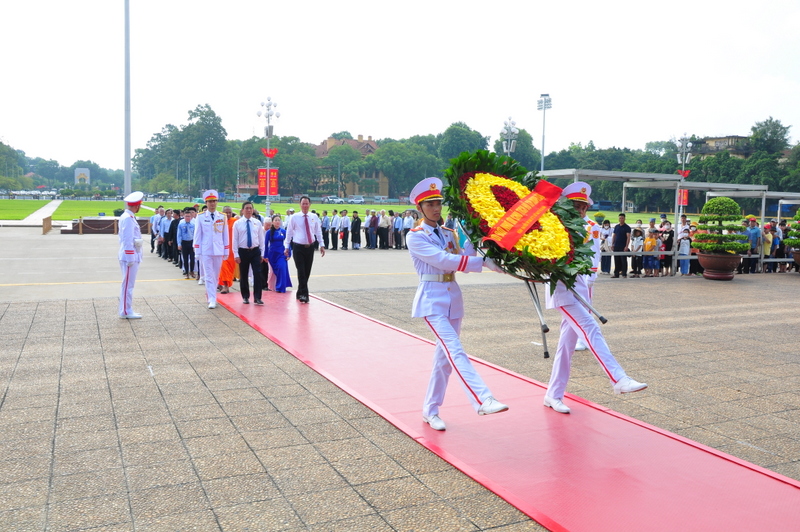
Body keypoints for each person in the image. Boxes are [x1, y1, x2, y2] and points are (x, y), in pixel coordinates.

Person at [406, 177, 509, 431]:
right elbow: (444, 261)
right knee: (455, 350)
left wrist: (478, 241)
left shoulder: (449, 233)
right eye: (430, 204)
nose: (436, 208)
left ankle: (430, 411)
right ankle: (483, 398)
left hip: (452, 298)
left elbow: (463, 258)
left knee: (443, 360)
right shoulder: (415, 237)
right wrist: (482, 264)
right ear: (420, 208)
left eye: (438, 203)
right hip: (432, 300)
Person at [544, 182, 647, 415]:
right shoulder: (554, 227)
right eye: (575, 206)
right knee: (591, 329)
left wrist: (590, 281)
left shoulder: (585, 227)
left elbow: (592, 258)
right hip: (563, 289)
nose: (580, 211)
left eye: (583, 207)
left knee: (566, 346)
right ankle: (618, 379)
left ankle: (553, 394)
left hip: (582, 286)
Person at [284, 196, 325, 303]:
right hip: (298, 247)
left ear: (310, 204)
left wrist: (322, 244)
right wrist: (287, 246)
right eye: (303, 204)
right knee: (301, 271)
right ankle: (304, 295)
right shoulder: (295, 217)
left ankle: (300, 291)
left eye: (307, 204)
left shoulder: (314, 217)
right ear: (300, 204)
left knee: (307, 271)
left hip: (310, 247)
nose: (305, 206)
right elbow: (289, 232)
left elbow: (318, 231)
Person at [193, 190, 230, 309]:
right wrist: (197, 251)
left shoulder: (222, 216)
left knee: (215, 275)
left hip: (218, 249)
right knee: (208, 275)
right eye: (210, 202)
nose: (212, 204)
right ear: (206, 203)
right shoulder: (201, 217)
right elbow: (197, 235)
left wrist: (226, 250)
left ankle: (211, 295)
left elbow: (225, 235)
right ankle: (212, 299)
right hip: (206, 250)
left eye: (214, 201)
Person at [233, 201, 266, 305]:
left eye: (250, 208)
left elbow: (261, 239)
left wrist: (262, 253)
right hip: (243, 251)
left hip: (255, 251)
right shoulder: (237, 223)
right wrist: (236, 254)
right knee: (244, 274)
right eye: (246, 208)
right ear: (242, 210)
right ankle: (245, 296)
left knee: (257, 273)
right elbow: (235, 240)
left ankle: (257, 297)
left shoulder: (257, 222)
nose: (248, 210)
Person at [118, 191, 144, 319]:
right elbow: (127, 239)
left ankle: (127, 309)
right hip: (130, 255)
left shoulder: (128, 216)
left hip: (131, 254)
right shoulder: (128, 218)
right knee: (128, 285)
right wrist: (130, 257)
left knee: (128, 284)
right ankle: (126, 310)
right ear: (137, 205)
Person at [265, 214, 293, 293]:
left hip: (282, 253)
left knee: (282, 268)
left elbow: (288, 243)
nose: (277, 222)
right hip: (272, 254)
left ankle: (280, 287)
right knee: (275, 271)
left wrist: (289, 253)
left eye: (279, 220)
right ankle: (272, 286)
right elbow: (266, 244)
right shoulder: (269, 232)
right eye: (276, 220)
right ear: (272, 222)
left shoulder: (284, 232)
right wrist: (265, 255)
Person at [218, 206, 237, 294]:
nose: (228, 214)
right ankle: (225, 286)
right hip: (221, 248)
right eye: (226, 212)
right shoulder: (219, 222)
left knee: (229, 269)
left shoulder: (235, 222)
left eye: (230, 212)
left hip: (232, 250)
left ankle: (224, 284)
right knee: (223, 266)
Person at [177, 208, 196, 279]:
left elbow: (195, 234)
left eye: (189, 216)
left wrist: (195, 244)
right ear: (184, 217)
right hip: (184, 242)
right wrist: (179, 244)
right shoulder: (181, 224)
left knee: (192, 258)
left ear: (191, 217)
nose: (187, 218)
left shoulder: (193, 224)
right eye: (186, 216)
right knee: (185, 259)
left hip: (191, 242)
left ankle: (192, 271)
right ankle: (186, 272)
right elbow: (179, 235)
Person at [611, 213, 631, 278]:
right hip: (616, 245)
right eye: (620, 218)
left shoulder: (627, 227)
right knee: (616, 260)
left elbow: (628, 237)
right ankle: (616, 273)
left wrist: (626, 246)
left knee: (623, 260)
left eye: (622, 218)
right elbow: (614, 235)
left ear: (624, 219)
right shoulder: (617, 227)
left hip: (623, 246)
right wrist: (612, 244)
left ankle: (624, 273)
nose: (621, 219)